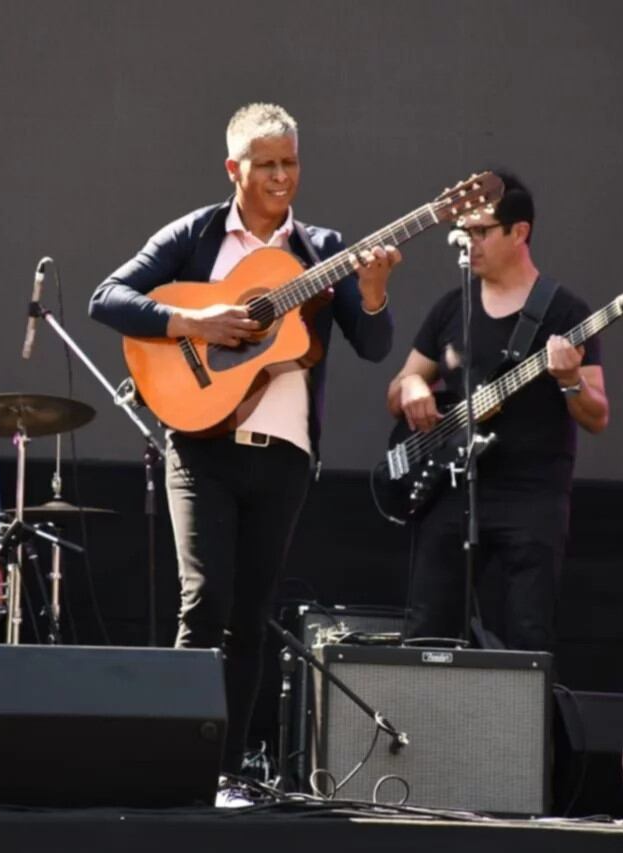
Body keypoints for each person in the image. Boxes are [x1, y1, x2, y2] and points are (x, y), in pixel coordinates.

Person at [89, 103, 399, 780]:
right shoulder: (198, 235)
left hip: (285, 457)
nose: (282, 176)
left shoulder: (322, 249)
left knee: (251, 618)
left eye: (290, 162)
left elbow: (374, 346)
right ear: (234, 168)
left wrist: (372, 293)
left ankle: (224, 774)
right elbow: (106, 297)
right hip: (201, 445)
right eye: (267, 164)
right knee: (204, 604)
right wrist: (193, 320)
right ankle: (177, 768)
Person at [386, 171, 608, 652]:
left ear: (519, 231)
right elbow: (399, 385)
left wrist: (569, 379)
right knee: (428, 631)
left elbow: (597, 415)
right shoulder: (452, 307)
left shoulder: (565, 312)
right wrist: (410, 389)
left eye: (481, 231)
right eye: (464, 233)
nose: (469, 244)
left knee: (526, 637)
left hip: (530, 499)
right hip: (450, 492)